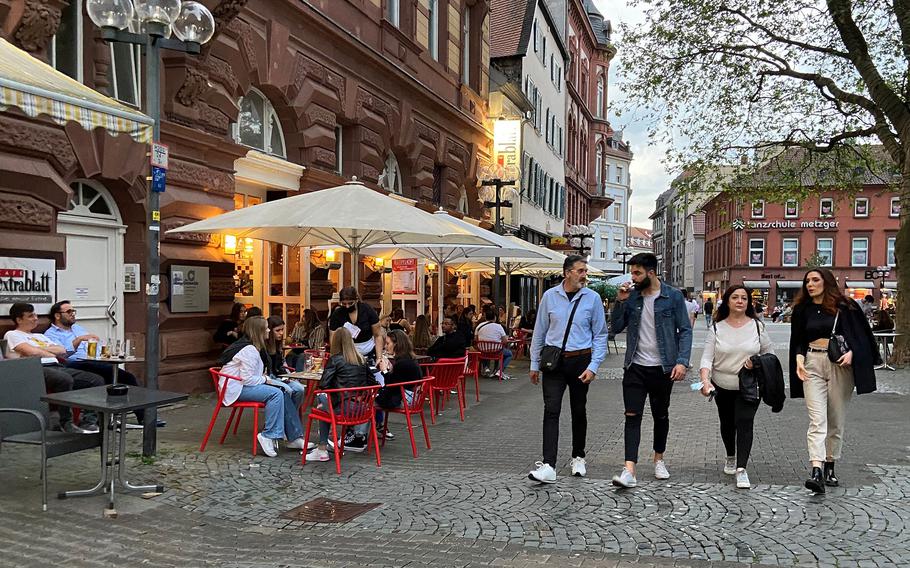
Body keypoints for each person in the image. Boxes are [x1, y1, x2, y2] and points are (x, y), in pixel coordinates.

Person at [789, 268, 880, 493]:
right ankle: (817, 470)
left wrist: (853, 354)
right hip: (812, 363)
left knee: (836, 418)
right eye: (807, 281)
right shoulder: (802, 309)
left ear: (826, 282)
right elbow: (798, 339)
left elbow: (863, 339)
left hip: (840, 365)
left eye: (815, 280)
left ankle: (830, 463)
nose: (810, 284)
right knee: (817, 419)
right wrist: (799, 360)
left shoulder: (846, 307)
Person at [609, 252, 692, 488]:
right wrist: (620, 300)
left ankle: (659, 459)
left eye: (637, 273)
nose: (633, 278)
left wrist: (681, 361)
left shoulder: (673, 297)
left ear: (651, 273)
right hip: (635, 366)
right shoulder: (632, 297)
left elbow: (685, 330)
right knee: (632, 416)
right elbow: (615, 328)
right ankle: (629, 470)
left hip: (663, 367)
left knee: (660, 415)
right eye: (632, 272)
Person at [527, 255, 608, 484]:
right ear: (567, 273)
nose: (584, 275)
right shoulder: (550, 297)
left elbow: (600, 335)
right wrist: (534, 364)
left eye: (585, 270)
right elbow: (540, 332)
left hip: (581, 360)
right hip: (554, 361)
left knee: (578, 410)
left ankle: (578, 456)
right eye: (580, 270)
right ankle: (549, 464)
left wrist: (593, 366)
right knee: (551, 410)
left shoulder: (592, 298)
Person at [698, 285, 773, 489]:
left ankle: (741, 469)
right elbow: (706, 358)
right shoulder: (717, 328)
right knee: (728, 423)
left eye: (744, 298)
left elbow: (770, 354)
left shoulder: (758, 327)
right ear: (728, 301)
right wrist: (706, 380)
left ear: (749, 303)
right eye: (735, 297)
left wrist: (756, 362)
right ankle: (730, 455)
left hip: (750, 385)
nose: (740, 301)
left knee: (745, 422)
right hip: (723, 385)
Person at [3, 302, 103, 433]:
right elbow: (31, 352)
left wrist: (40, 349)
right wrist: (47, 351)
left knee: (95, 380)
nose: (35, 318)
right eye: (30, 316)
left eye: (36, 315)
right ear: (19, 319)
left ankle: (88, 422)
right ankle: (65, 423)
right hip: (36, 368)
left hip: (58, 365)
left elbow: (62, 350)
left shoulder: (40, 336)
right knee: (64, 379)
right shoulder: (12, 334)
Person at [45, 300, 147, 428]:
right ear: (57, 315)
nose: (73, 314)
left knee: (127, 378)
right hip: (74, 363)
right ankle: (104, 419)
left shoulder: (78, 328)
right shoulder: (51, 334)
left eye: (73, 311)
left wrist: (105, 354)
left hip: (94, 361)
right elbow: (62, 354)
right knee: (102, 379)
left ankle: (144, 417)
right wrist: (79, 340)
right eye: (69, 311)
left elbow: (94, 344)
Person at [217, 316, 307, 457]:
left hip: (239, 385)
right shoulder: (249, 349)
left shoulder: (252, 347)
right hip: (235, 389)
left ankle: (292, 437)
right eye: (266, 327)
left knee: (281, 391)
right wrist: (267, 379)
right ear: (258, 331)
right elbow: (247, 379)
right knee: (276, 393)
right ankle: (269, 435)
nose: (269, 330)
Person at [305, 328, 379, 461]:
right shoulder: (361, 359)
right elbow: (373, 382)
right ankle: (324, 448)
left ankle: (322, 449)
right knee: (324, 406)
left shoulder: (335, 360)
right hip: (361, 410)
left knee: (321, 403)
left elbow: (323, 385)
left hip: (344, 409)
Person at [328, 287, 385, 370]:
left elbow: (378, 335)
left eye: (350, 303)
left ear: (356, 300)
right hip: (347, 353)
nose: (347, 307)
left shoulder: (367, 310)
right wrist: (334, 357)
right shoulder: (337, 314)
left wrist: (379, 357)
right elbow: (333, 337)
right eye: (343, 304)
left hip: (368, 351)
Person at [264, 315, 306, 407]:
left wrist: (289, 374)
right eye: (278, 330)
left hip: (280, 376)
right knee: (288, 390)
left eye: (282, 330)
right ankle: (287, 417)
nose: (281, 333)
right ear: (270, 331)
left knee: (300, 389)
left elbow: (282, 363)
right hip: (269, 378)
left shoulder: (278, 345)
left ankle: (291, 416)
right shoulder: (264, 347)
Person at [376, 329, 423, 410]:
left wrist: (384, 371)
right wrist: (390, 369)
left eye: (388, 343)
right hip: (414, 397)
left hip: (404, 400)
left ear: (396, 345)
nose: (385, 347)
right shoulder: (409, 359)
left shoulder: (402, 363)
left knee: (369, 401)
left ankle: (376, 422)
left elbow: (391, 386)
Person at [475, 305, 513, 379]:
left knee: (485, 349)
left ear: (485, 317)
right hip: (496, 351)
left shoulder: (479, 326)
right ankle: (500, 370)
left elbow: (476, 338)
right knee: (509, 354)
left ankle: (486, 367)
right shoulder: (499, 326)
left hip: (482, 350)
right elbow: (505, 340)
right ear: (495, 318)